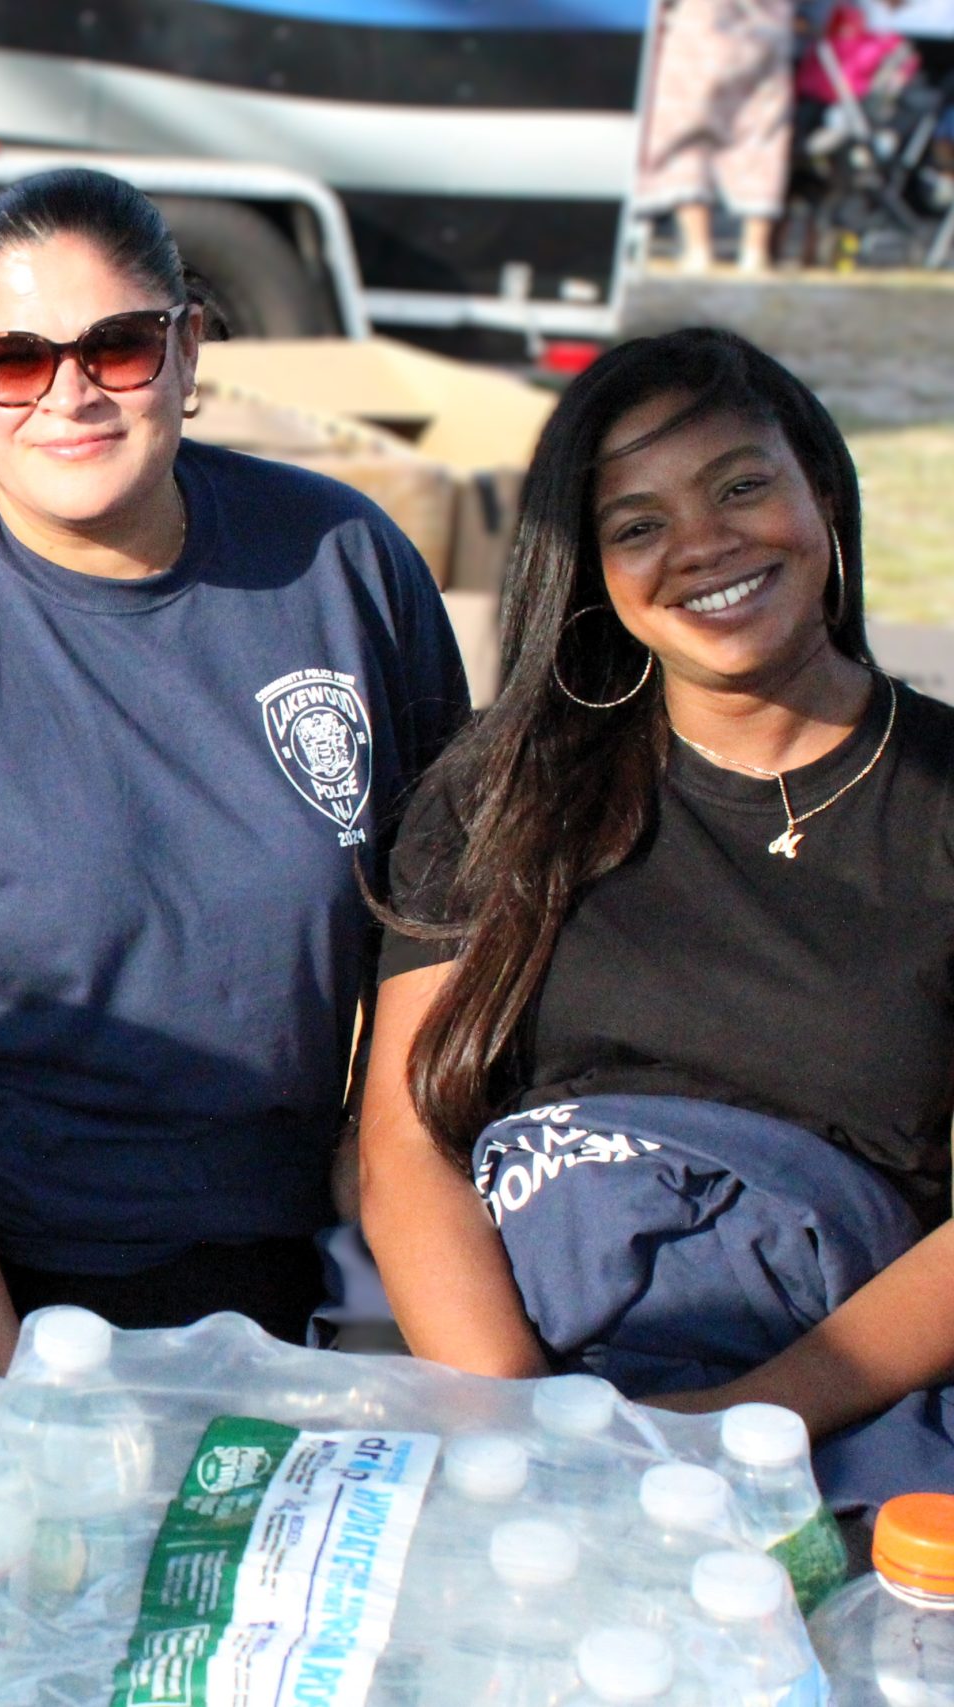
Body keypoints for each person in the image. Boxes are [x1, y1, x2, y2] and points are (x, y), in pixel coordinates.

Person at [0, 167, 469, 1394]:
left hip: (312, 1230)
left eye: (116, 346)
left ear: (187, 347)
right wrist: (6, 1372)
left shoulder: (343, 560)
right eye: (15, 360)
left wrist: (379, 1162)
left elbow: (438, 907)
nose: (69, 394)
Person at [360, 326, 954, 1508]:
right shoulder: (502, 793)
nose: (701, 547)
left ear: (822, 492)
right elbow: (403, 1145)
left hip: (840, 1418)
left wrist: (738, 1425)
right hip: (514, 1385)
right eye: (637, 526)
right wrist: (522, 1431)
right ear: (591, 571)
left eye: (739, 487)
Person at [636, 0, 799, 272]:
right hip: (767, 31)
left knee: (685, 136)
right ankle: (755, 251)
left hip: (701, 28)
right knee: (762, 137)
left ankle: (698, 249)